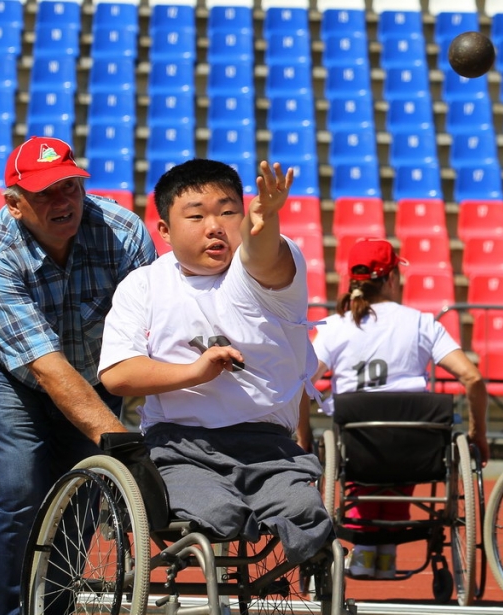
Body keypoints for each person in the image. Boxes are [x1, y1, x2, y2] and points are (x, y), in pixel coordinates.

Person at [0, 136, 157, 615]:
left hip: (92, 366)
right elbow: (45, 366)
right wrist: (126, 447)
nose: (64, 201)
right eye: (45, 193)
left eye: (70, 186)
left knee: (88, 486)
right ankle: (1, 610)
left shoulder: (124, 232)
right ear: (15, 204)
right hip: (3, 367)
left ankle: (54, 607)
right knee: (19, 482)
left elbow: (151, 334)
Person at [97, 159, 332, 563]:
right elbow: (118, 374)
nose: (215, 226)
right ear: (165, 231)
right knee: (218, 514)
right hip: (177, 446)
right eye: (197, 216)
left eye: (228, 212)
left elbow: (263, 256)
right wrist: (195, 372)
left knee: (306, 514)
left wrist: (263, 223)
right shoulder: (144, 285)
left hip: (269, 449)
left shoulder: (262, 267)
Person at [311, 238, 489, 579]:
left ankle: (366, 555)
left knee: (360, 463)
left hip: (357, 446)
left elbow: (302, 385)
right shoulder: (422, 323)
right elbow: (473, 378)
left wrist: (303, 438)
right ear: (392, 277)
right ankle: (384, 555)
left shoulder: (335, 327)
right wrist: (478, 434)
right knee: (406, 451)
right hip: (415, 447)